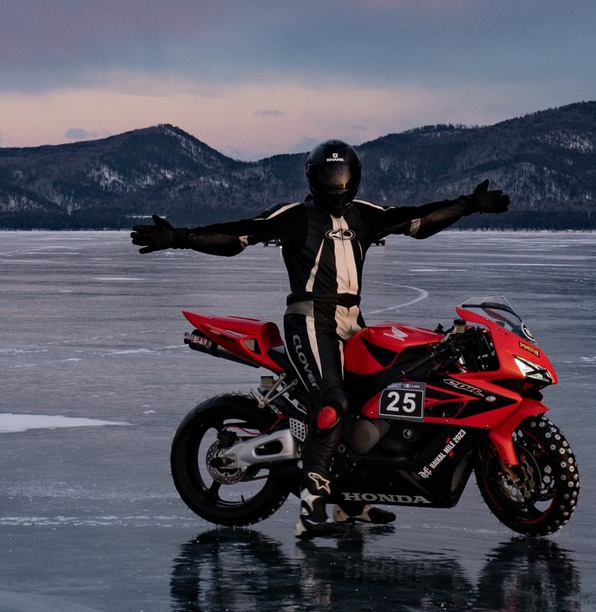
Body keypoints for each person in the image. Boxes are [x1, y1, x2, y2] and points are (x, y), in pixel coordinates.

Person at [131, 140, 509, 538]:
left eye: (342, 174)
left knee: (378, 393)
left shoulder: (364, 216)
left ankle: (351, 502)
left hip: (350, 319)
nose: (337, 182)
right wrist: (180, 237)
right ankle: (312, 507)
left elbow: (417, 220)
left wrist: (469, 204)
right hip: (310, 318)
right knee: (334, 402)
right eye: (330, 175)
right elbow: (241, 233)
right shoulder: (295, 216)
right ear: (314, 178)